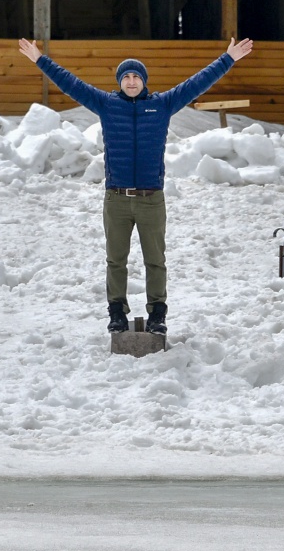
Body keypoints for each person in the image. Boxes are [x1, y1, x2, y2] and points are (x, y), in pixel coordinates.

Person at [17, 36, 254, 335]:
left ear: (144, 81)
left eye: (136, 77)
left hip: (151, 198)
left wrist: (228, 58)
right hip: (116, 199)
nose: (131, 81)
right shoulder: (106, 104)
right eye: (126, 77)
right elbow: (71, 84)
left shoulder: (162, 104)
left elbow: (196, 83)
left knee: (156, 260)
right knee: (116, 260)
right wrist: (40, 59)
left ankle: (158, 315)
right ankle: (116, 312)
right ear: (119, 82)